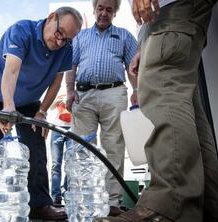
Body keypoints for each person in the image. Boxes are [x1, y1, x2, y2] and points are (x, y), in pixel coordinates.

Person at [94, 0, 218, 221]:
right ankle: (211, 211)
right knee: (187, 110)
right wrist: (144, 44)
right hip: (169, 16)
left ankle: (169, 207)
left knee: (163, 87)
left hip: (172, 9)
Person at [0, 7, 83, 221]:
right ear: (51, 18)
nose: (60, 42)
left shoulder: (65, 48)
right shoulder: (22, 31)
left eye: (66, 39)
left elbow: (56, 82)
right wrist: (8, 107)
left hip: (28, 102)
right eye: (59, 33)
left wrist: (41, 112)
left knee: (36, 141)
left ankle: (39, 204)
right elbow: (11, 70)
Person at [65, 0, 138, 216]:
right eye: (100, 8)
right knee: (83, 149)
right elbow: (71, 65)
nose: (104, 13)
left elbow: (133, 66)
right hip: (84, 95)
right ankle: (84, 198)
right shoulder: (80, 36)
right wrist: (69, 90)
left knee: (114, 146)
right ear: (94, 9)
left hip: (114, 93)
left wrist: (137, 90)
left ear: (115, 13)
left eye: (109, 9)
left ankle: (112, 201)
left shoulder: (124, 35)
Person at [48, 94, 71, 205]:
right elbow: (50, 107)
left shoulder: (77, 89)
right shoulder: (58, 90)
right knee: (55, 164)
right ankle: (56, 197)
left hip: (73, 128)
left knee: (71, 164)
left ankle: (67, 193)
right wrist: (58, 100)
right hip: (56, 128)